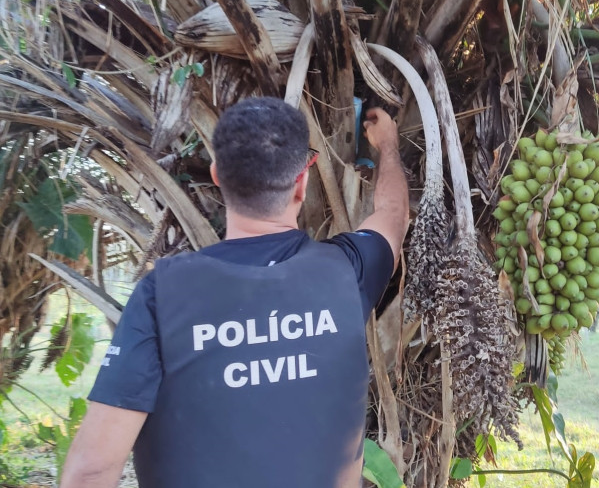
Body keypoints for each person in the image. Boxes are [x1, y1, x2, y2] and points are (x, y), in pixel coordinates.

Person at [60, 97, 409, 488]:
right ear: (302, 181)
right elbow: (394, 216)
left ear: (216, 175)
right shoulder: (349, 270)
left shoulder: (164, 293)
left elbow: (90, 472)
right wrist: (387, 146)